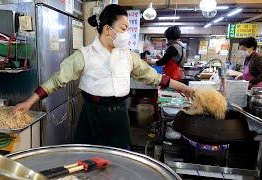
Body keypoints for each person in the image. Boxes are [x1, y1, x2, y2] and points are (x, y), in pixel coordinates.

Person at [13, 4, 194, 149]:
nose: (127, 34)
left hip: (119, 116)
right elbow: (57, 80)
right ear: (108, 30)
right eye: (124, 28)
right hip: (91, 115)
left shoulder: (127, 56)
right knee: (86, 161)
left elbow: (154, 77)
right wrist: (29, 102)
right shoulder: (85, 54)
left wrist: (184, 88)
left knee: (118, 163)